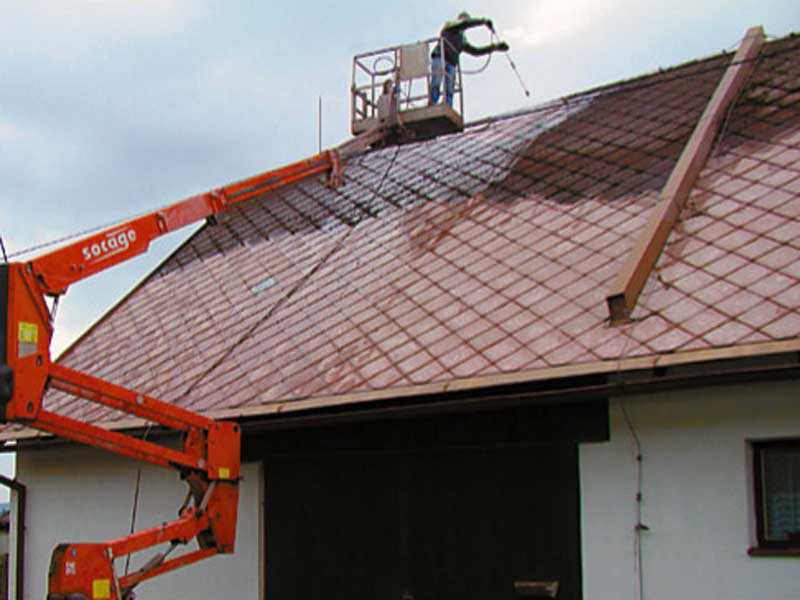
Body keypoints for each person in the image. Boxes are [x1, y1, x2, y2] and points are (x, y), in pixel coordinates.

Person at [430, 12, 509, 107]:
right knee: (436, 82)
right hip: (440, 57)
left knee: (449, 89)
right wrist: (483, 21)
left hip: (451, 63)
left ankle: (447, 106)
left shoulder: (462, 40)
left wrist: (494, 47)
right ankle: (432, 103)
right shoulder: (450, 25)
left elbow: (475, 51)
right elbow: (465, 23)